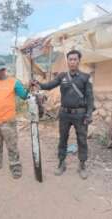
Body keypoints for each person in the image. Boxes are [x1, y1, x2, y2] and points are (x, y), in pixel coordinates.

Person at [31, 50, 94, 179]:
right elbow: (48, 86)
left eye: (75, 59)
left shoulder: (85, 77)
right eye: (70, 59)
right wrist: (38, 84)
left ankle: (82, 165)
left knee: (82, 140)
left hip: (80, 115)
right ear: (67, 61)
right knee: (62, 139)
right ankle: (61, 163)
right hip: (64, 114)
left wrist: (89, 114)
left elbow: (90, 97)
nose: (72, 62)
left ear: (79, 61)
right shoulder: (62, 76)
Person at [0, 58, 28, 179]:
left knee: (12, 146)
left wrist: (29, 89)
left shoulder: (14, 82)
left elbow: (24, 96)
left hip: (8, 121)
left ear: (4, 69)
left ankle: (15, 167)